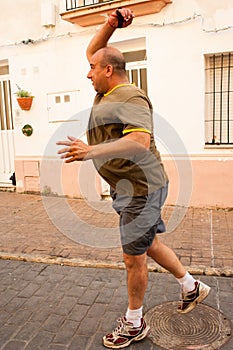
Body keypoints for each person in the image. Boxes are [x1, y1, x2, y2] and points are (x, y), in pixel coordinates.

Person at [57, 8, 211, 349]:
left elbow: (140, 142)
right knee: (149, 243)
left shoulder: (130, 97)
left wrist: (90, 152)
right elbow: (94, 51)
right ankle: (191, 286)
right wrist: (110, 24)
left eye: (93, 69)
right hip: (130, 188)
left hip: (141, 189)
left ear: (108, 70)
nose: (88, 74)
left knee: (133, 258)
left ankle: (134, 323)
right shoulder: (109, 90)